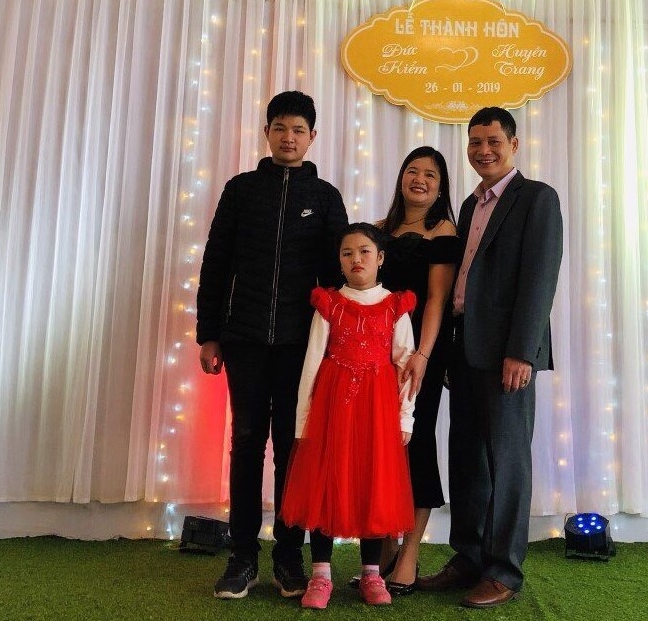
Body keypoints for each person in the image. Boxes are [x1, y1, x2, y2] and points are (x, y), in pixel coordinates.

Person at [196, 91, 348, 600]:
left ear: (312, 137)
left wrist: (338, 342)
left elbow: (336, 278)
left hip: (301, 347)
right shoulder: (241, 190)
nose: (288, 137)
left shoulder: (325, 198)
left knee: (292, 448)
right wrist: (209, 333)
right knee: (245, 443)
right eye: (280, 127)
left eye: (298, 129)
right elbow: (216, 263)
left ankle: (287, 556)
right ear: (266, 132)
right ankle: (242, 557)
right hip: (243, 339)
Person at [417, 107, 563, 608]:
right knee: (466, 459)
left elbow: (539, 280)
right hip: (465, 348)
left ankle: (503, 571)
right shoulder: (469, 203)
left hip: (507, 354)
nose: (483, 150)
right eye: (475, 142)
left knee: (507, 462)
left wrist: (522, 351)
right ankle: (469, 557)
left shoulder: (537, 198)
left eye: (493, 141)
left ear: (513, 144)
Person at [280, 223, 417, 609]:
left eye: (364, 251)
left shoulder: (395, 306)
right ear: (339, 261)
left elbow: (405, 366)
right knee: (326, 483)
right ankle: (320, 574)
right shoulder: (329, 303)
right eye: (347, 253)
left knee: (373, 483)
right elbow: (312, 363)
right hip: (332, 408)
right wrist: (303, 420)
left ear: (380, 258)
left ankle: (372, 573)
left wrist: (405, 418)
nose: (356, 259)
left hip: (378, 411)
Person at [373, 146, 459, 595]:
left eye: (430, 174)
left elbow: (437, 300)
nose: (419, 179)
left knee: (417, 442)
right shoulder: (379, 229)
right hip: (377, 353)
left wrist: (423, 356)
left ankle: (409, 552)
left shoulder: (442, 230)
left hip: (420, 353)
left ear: (441, 187)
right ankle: (385, 547)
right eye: (412, 170)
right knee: (385, 448)